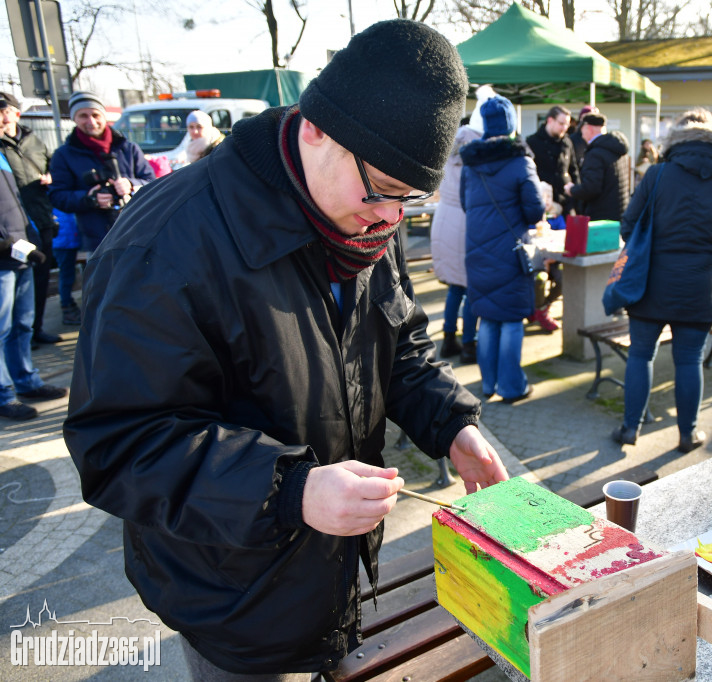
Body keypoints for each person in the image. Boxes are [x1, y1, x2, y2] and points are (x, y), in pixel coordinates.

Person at [63, 20, 509, 678]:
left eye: (412, 198)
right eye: (383, 188)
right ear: (314, 131)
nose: (391, 218)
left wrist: (451, 424)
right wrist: (288, 490)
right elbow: (119, 442)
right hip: (233, 598)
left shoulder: (362, 220)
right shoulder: (166, 243)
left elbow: (399, 342)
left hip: (331, 574)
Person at [611, 110, 712, 452]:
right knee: (689, 360)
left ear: (677, 140)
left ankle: (630, 429)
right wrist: (705, 260)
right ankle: (688, 435)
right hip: (698, 286)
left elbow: (628, 225)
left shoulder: (657, 175)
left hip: (649, 284)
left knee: (641, 355)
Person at [461, 95, 545, 404]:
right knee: (511, 319)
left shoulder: (471, 165)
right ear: (511, 125)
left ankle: (488, 384)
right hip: (510, 252)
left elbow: (464, 205)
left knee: (488, 317)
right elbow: (535, 211)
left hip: (477, 251)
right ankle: (512, 387)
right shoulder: (520, 161)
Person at [1, 144, 69, 421]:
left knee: (22, 326)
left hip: (20, 256)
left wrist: (31, 238)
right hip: (5, 257)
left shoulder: (4, 157)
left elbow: (17, 203)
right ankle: (4, 394)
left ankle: (27, 382)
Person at [48, 91, 156, 253]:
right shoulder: (63, 155)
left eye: (95, 115)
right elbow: (57, 196)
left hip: (137, 233)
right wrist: (89, 199)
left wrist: (131, 185)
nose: (91, 121)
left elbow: (153, 183)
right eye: (83, 115)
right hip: (97, 240)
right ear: (74, 119)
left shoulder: (128, 148)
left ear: (104, 116)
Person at [431, 86, 493, 364]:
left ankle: (448, 340)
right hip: (469, 221)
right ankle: (469, 345)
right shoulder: (481, 151)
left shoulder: (448, 146)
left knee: (455, 287)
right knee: (470, 287)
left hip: (444, 217)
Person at [0, 92, 62, 345]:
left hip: (39, 219)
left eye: (5, 111)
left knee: (40, 278)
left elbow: (52, 167)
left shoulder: (34, 140)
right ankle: (17, 341)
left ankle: (34, 329)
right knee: (11, 291)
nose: (2, 118)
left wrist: (51, 177)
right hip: (11, 229)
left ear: (16, 113)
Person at [526, 104, 578, 331]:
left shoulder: (567, 143)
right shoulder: (532, 143)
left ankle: (543, 308)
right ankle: (534, 308)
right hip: (538, 216)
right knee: (539, 270)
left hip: (561, 213)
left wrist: (573, 189)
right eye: (561, 123)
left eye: (567, 124)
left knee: (560, 270)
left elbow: (574, 170)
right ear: (549, 121)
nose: (565, 128)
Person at [564, 113, 631, 221]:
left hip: (601, 217)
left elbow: (591, 188)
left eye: (582, 130)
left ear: (588, 128)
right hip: (619, 213)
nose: (581, 135)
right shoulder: (617, 149)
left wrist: (572, 190)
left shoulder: (595, 154)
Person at [51, 208, 81, 325]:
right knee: (66, 276)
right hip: (63, 243)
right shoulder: (53, 198)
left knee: (69, 275)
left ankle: (69, 303)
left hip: (71, 240)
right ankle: (67, 307)